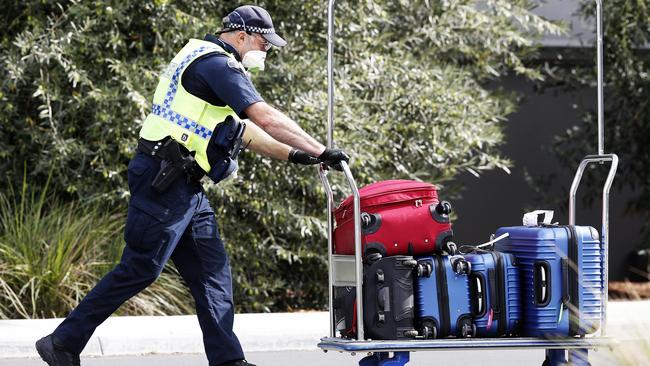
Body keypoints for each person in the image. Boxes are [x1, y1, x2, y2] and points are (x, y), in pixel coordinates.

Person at [35, 5, 349, 366]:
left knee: (212, 272)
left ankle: (228, 360)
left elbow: (244, 133)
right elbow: (265, 117)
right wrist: (321, 149)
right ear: (242, 35)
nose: (267, 50)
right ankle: (62, 342)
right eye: (264, 42)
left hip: (184, 183)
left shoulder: (210, 62)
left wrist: (298, 156)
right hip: (163, 179)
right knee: (141, 267)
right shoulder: (219, 64)